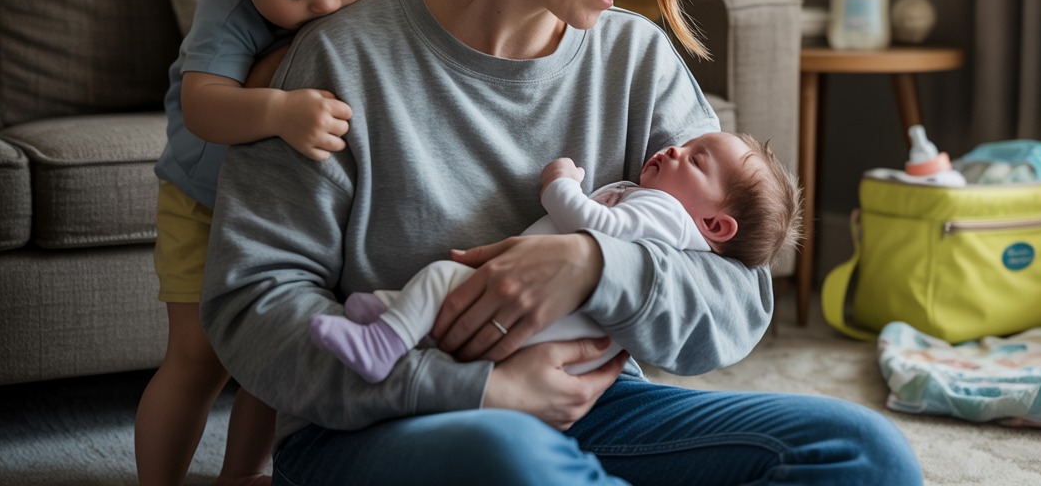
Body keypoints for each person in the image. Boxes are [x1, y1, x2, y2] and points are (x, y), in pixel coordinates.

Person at [200, 0, 924, 485]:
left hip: (595, 411)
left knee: (865, 452)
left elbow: (740, 297)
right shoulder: (341, 60)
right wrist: (476, 389)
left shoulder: (637, 61)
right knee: (513, 458)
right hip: (382, 423)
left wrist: (594, 265)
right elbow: (252, 309)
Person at [134, 0, 407, 486]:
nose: (328, 3)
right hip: (205, 201)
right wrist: (280, 110)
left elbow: (419, 24)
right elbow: (202, 106)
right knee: (197, 360)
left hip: (287, 208)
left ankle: (244, 476)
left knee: (272, 362)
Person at [308, 131, 801, 382]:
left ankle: (386, 341)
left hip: (556, 321)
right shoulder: (673, 208)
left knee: (443, 276)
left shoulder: (669, 213)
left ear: (715, 226)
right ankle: (398, 318)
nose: (674, 148)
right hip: (565, 342)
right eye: (686, 145)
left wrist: (560, 184)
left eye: (695, 159)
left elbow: (598, 228)